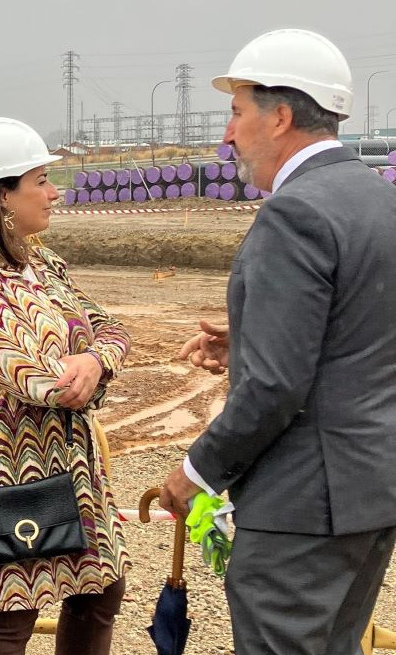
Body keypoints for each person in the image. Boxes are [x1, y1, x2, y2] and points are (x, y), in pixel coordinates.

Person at [161, 28, 396, 655]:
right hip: (368, 499)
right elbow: (367, 328)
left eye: (237, 112)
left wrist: (196, 474)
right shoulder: (378, 200)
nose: (229, 134)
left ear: (282, 115)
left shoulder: (295, 214)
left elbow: (274, 387)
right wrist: (255, 337)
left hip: (300, 511)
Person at [0, 117, 131, 655]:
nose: (54, 192)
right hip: (7, 471)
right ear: (2, 196)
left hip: (74, 466)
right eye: (40, 180)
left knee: (100, 594)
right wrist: (86, 366)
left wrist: (93, 359)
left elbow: (111, 329)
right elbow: (36, 376)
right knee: (10, 617)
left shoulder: (42, 263)